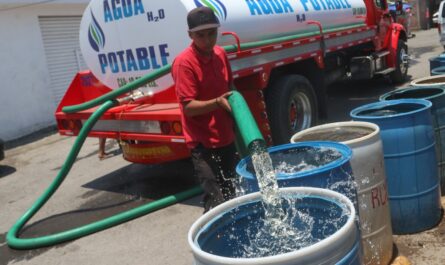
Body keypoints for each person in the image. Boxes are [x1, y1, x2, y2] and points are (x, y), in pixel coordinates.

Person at [171, 6, 239, 213]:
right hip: (203, 142)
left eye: (212, 33)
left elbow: (231, 88)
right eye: (201, 35)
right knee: (215, 197)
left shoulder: (220, 54)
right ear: (190, 35)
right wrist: (217, 102)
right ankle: (215, 241)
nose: (208, 40)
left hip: (225, 136)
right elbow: (188, 107)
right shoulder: (184, 64)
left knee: (233, 190)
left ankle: (236, 232)